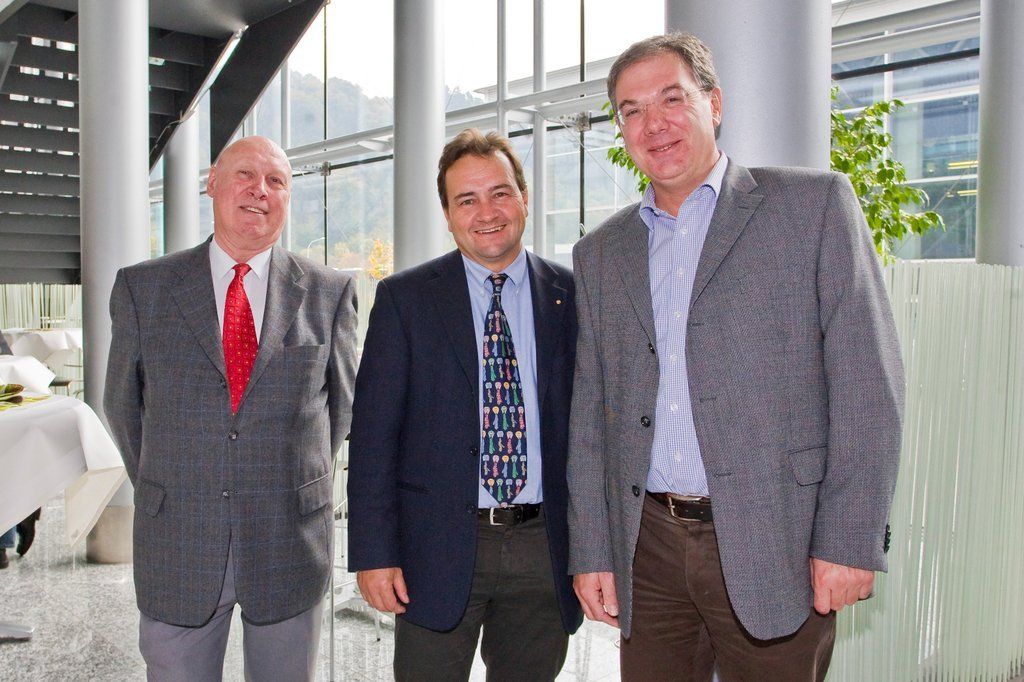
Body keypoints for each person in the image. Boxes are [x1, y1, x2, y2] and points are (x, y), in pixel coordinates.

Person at [567, 33, 905, 681]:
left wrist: (849, 539)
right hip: (648, 549)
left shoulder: (813, 208)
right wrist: (592, 551)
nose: (653, 123)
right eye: (632, 110)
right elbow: (589, 416)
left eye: (672, 99)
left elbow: (868, 386)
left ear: (714, 104)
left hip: (777, 541)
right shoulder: (600, 254)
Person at [104, 135, 357, 681]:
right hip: (179, 541)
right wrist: (173, 483)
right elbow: (122, 408)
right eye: (245, 174)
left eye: (276, 181)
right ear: (212, 184)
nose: (259, 190)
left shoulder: (328, 292)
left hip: (289, 542)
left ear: (287, 198)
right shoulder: (143, 289)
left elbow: (338, 411)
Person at [347, 128, 583, 681]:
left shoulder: (572, 295)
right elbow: (374, 437)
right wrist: (374, 553)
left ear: (524, 197)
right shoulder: (405, 300)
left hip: (544, 547)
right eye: (467, 200)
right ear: (449, 216)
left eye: (500, 193)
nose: (487, 213)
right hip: (435, 548)